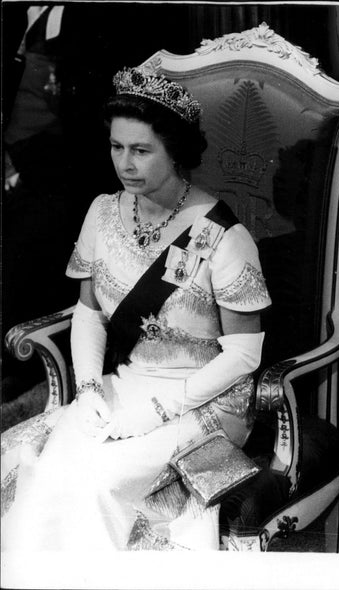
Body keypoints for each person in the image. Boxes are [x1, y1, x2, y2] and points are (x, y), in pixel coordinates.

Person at [0, 67, 271, 551]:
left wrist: (158, 411)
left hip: (210, 401)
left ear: (177, 152)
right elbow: (87, 313)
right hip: (125, 385)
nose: (125, 163)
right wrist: (86, 390)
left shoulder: (225, 237)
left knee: (101, 480)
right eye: (116, 147)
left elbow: (245, 357)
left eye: (141, 150)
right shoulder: (102, 212)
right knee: (53, 467)